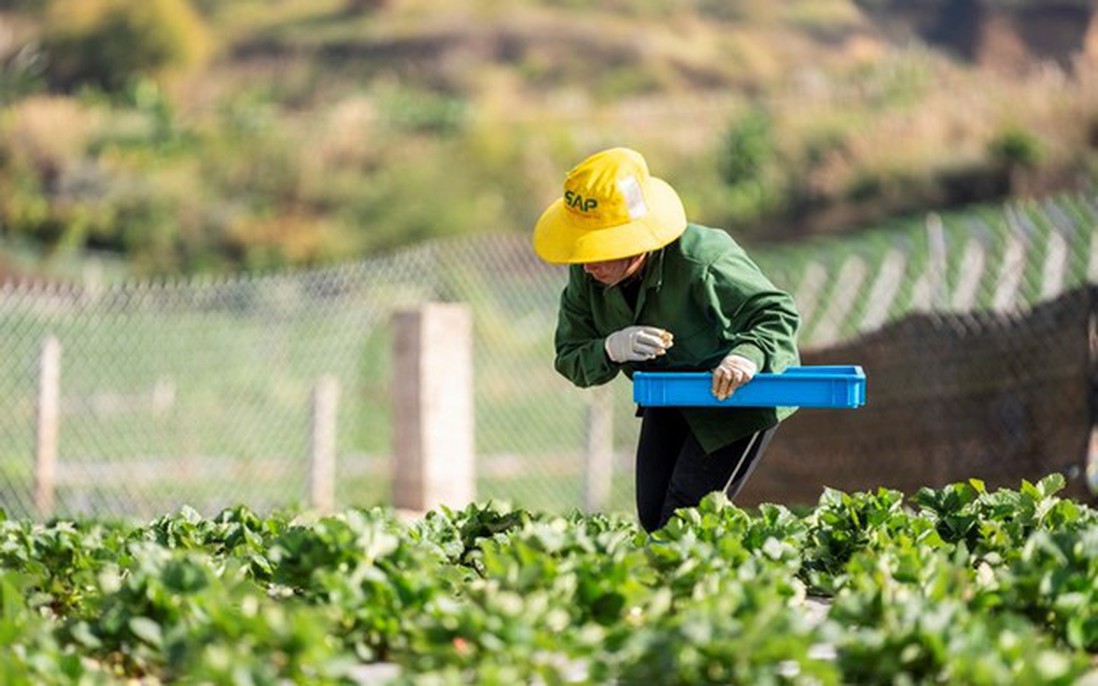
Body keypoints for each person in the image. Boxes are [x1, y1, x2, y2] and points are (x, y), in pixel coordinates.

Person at [532, 147, 801, 533]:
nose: (590, 262)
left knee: (683, 520)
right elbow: (572, 357)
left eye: (602, 248)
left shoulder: (703, 258)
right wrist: (610, 347)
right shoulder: (586, 275)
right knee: (652, 515)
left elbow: (776, 313)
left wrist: (747, 355)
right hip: (670, 394)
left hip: (736, 402)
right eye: (583, 245)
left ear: (636, 240)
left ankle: (722, 587)